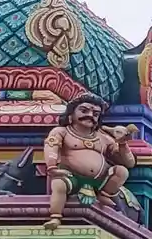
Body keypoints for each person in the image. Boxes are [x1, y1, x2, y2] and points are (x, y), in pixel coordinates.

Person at [42, 94, 133, 229]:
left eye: (95, 113)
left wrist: (123, 143)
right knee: (59, 185)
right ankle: (55, 217)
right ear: (71, 114)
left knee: (122, 171)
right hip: (71, 176)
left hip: (99, 181)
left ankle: (104, 194)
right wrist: (51, 166)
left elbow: (129, 163)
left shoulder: (103, 138)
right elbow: (51, 147)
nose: (90, 115)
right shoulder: (61, 132)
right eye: (84, 111)